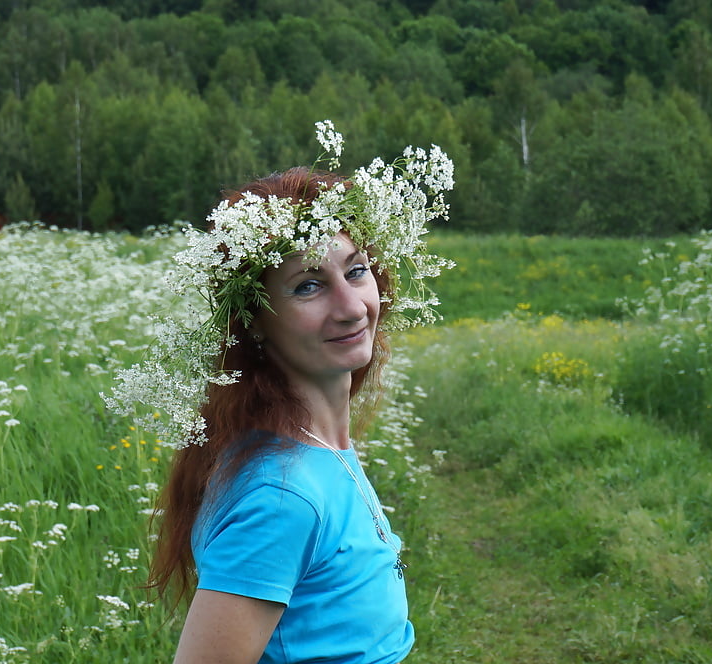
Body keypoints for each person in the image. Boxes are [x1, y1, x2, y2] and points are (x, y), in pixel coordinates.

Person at [104, 121, 453, 664]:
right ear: (256, 322)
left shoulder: (318, 448)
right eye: (308, 285)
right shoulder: (281, 497)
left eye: (356, 271)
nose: (353, 305)